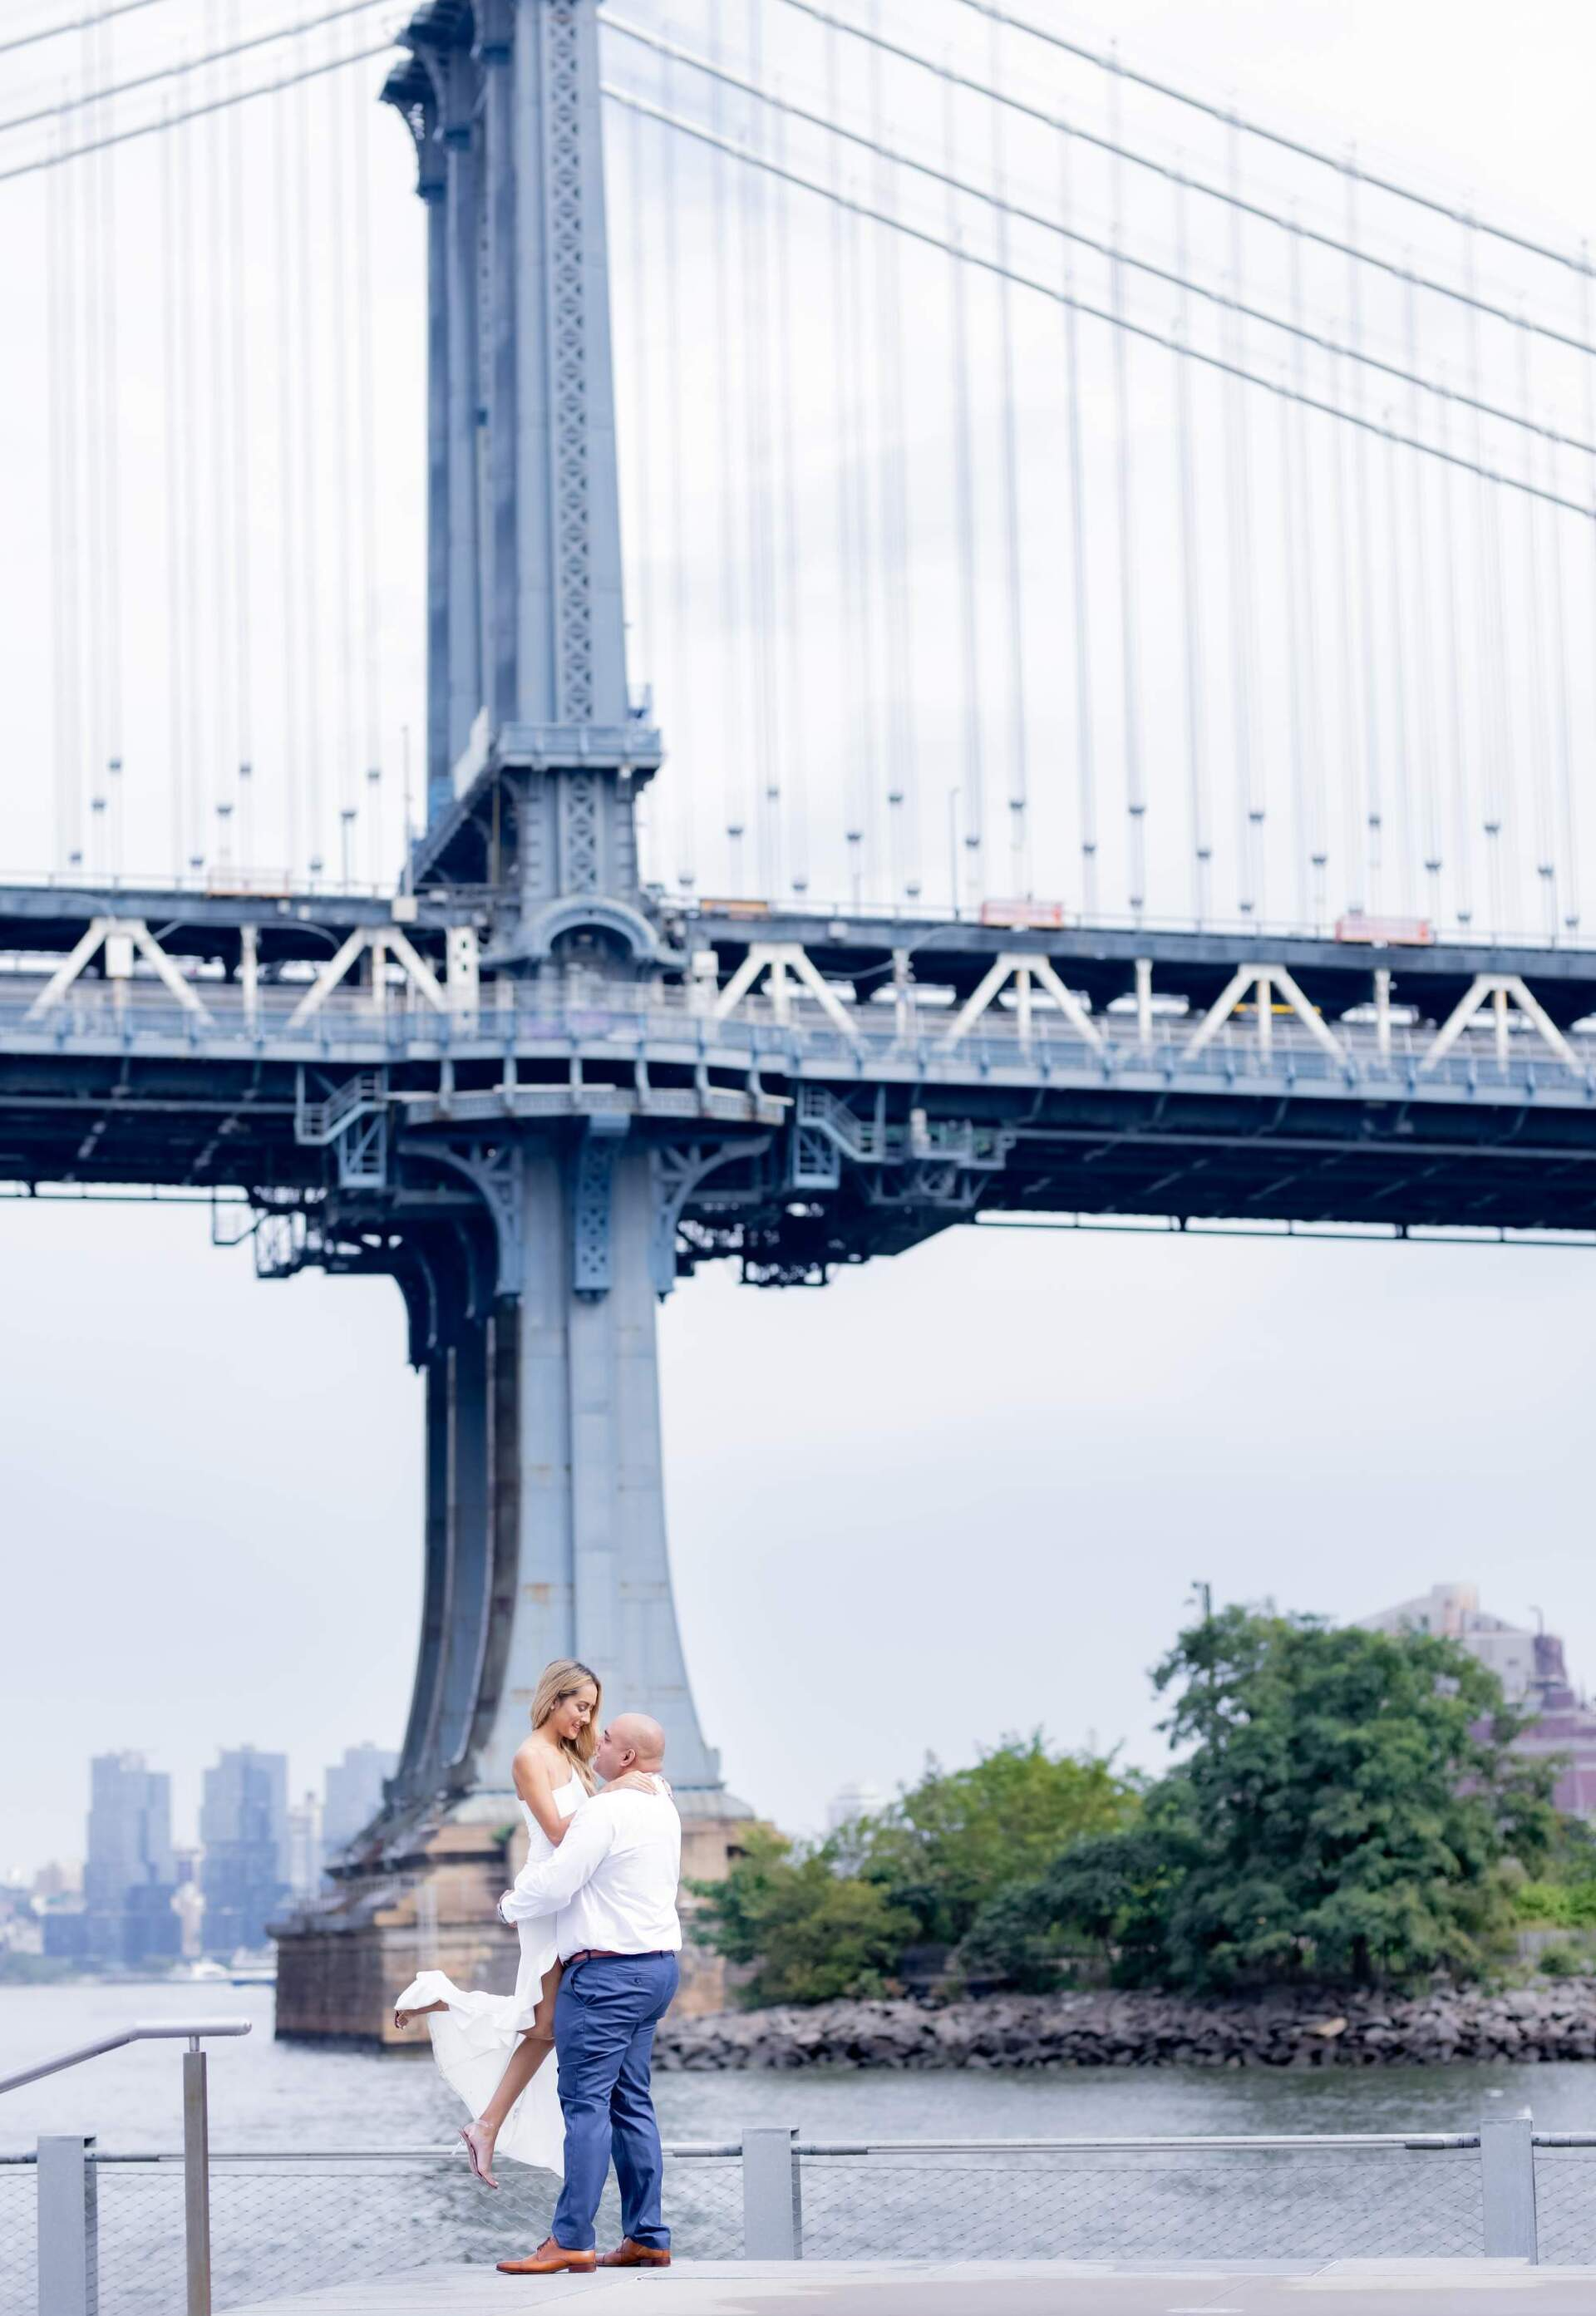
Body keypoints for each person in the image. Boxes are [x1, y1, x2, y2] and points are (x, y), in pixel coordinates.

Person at [389, 1660, 653, 2185]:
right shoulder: (529, 1757)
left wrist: (616, 1796)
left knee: (545, 2025)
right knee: (545, 2023)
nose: (587, 1720)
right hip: (547, 1896)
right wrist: (618, 1798)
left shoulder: (569, 1758)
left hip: (571, 1896)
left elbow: (587, 1835)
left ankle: (485, 2125)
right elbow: (558, 1832)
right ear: (554, 1699)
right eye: (581, 1707)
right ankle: (441, 2001)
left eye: (592, 1710)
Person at [493, 1711, 682, 2277]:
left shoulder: (606, 1811)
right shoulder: (662, 1803)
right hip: (657, 1972)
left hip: (605, 1979)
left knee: (586, 2108)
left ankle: (571, 2239)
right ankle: (647, 2236)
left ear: (625, 1757)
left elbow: (558, 1881)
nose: (594, 1741)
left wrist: (508, 1905)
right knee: (632, 2105)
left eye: (605, 1738)